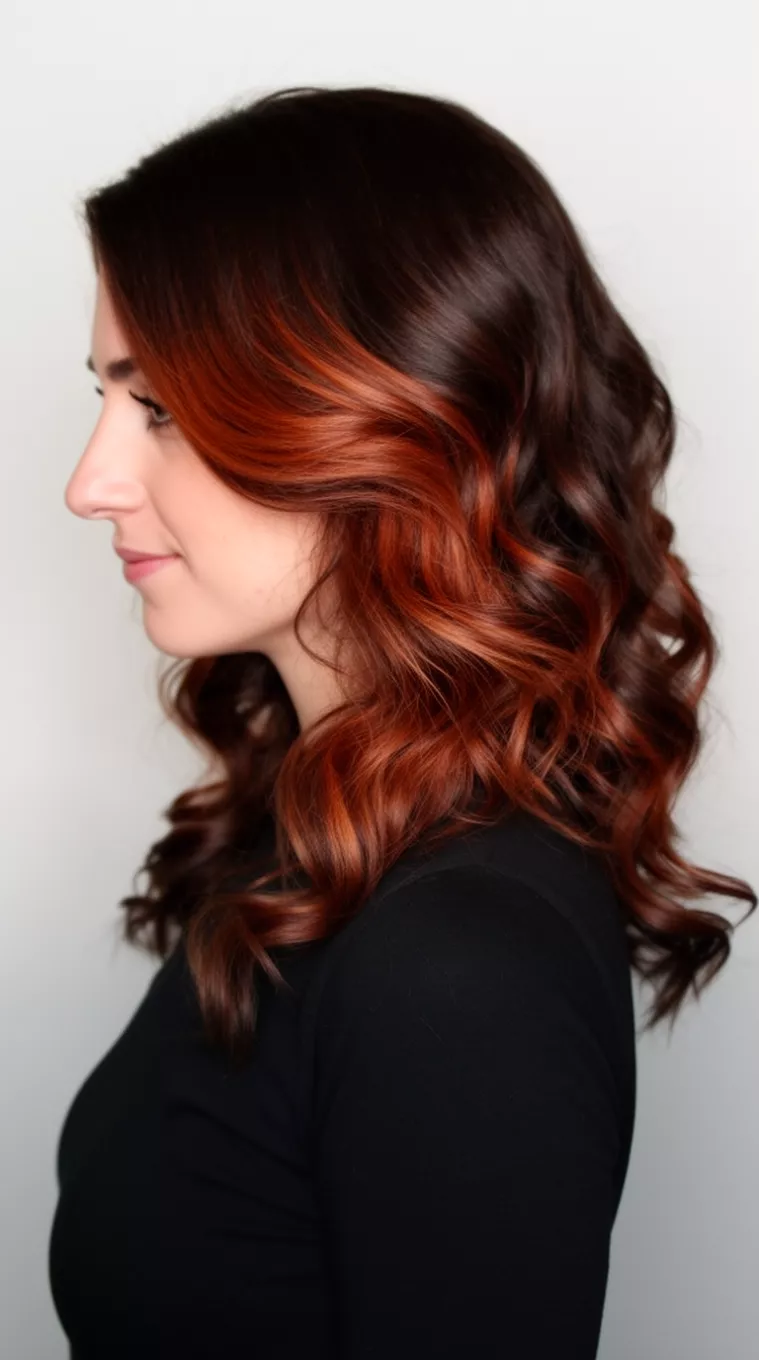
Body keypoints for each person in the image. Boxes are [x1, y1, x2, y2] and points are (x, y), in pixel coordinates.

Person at [50, 85, 755, 1359]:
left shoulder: (457, 962)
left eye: (158, 409)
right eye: (108, 400)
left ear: (387, 418)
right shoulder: (329, 827)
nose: (88, 483)